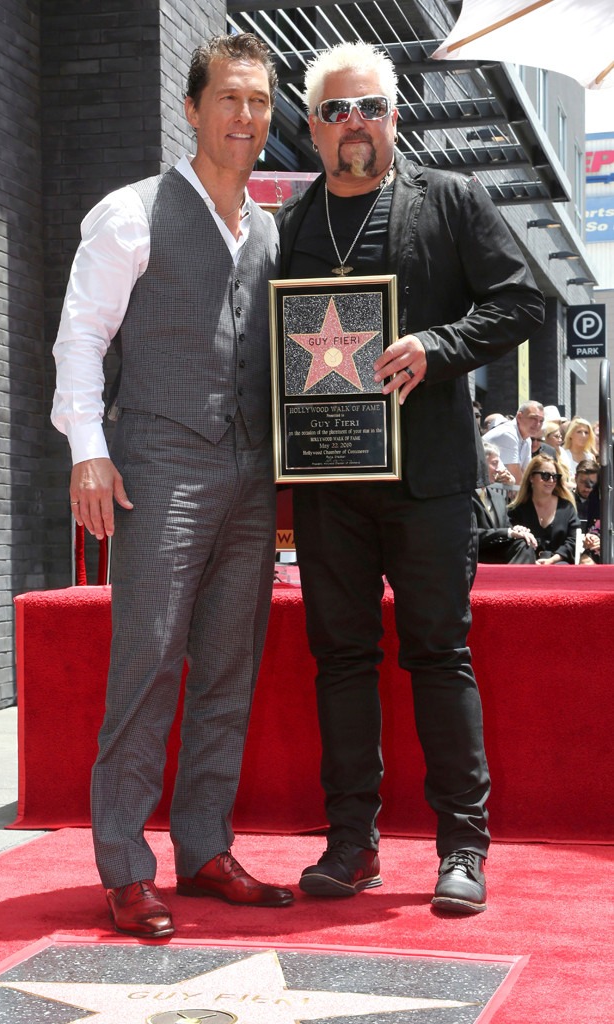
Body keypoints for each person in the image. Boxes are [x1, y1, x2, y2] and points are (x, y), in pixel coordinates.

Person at [276, 41, 545, 915]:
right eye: (334, 111)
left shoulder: (454, 200)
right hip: (326, 482)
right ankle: (351, 845)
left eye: (370, 108)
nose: (353, 124)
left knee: (439, 653)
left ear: (398, 116)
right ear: (312, 126)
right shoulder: (288, 226)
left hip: (428, 481)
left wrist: (438, 345)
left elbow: (523, 300)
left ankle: (462, 844)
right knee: (340, 660)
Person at [51, 32, 294, 940]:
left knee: (229, 667)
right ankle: (124, 865)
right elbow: (81, 337)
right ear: (191, 109)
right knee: (147, 663)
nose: (245, 116)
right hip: (156, 461)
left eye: (260, 102)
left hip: (249, 474)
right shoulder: (132, 211)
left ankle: (204, 848)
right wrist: (87, 447)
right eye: (229, 98)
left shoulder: (270, 228)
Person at [508, 455, 580, 565]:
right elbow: (513, 541)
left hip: (560, 564)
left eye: (555, 476)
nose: (551, 480)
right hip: (527, 565)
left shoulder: (566, 508)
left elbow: (573, 541)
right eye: (545, 476)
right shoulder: (517, 510)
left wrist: (553, 560)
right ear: (531, 477)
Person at [473, 443, 537, 563]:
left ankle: (513, 581)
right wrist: (508, 532)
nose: (498, 469)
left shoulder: (498, 498)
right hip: (476, 554)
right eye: (494, 463)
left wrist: (516, 530)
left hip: (498, 552)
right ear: (480, 464)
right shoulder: (465, 498)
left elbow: (506, 528)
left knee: (525, 543)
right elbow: (470, 534)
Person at [484, 400, 545, 483]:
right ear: (519, 417)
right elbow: (518, 480)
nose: (538, 424)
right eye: (533, 418)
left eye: (541, 421)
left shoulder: (527, 439)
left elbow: (527, 473)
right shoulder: (508, 434)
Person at [559, 417, 598, 482]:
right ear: (570, 434)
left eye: (586, 432)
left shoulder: (590, 457)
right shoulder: (563, 455)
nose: (583, 435)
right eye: (579, 432)